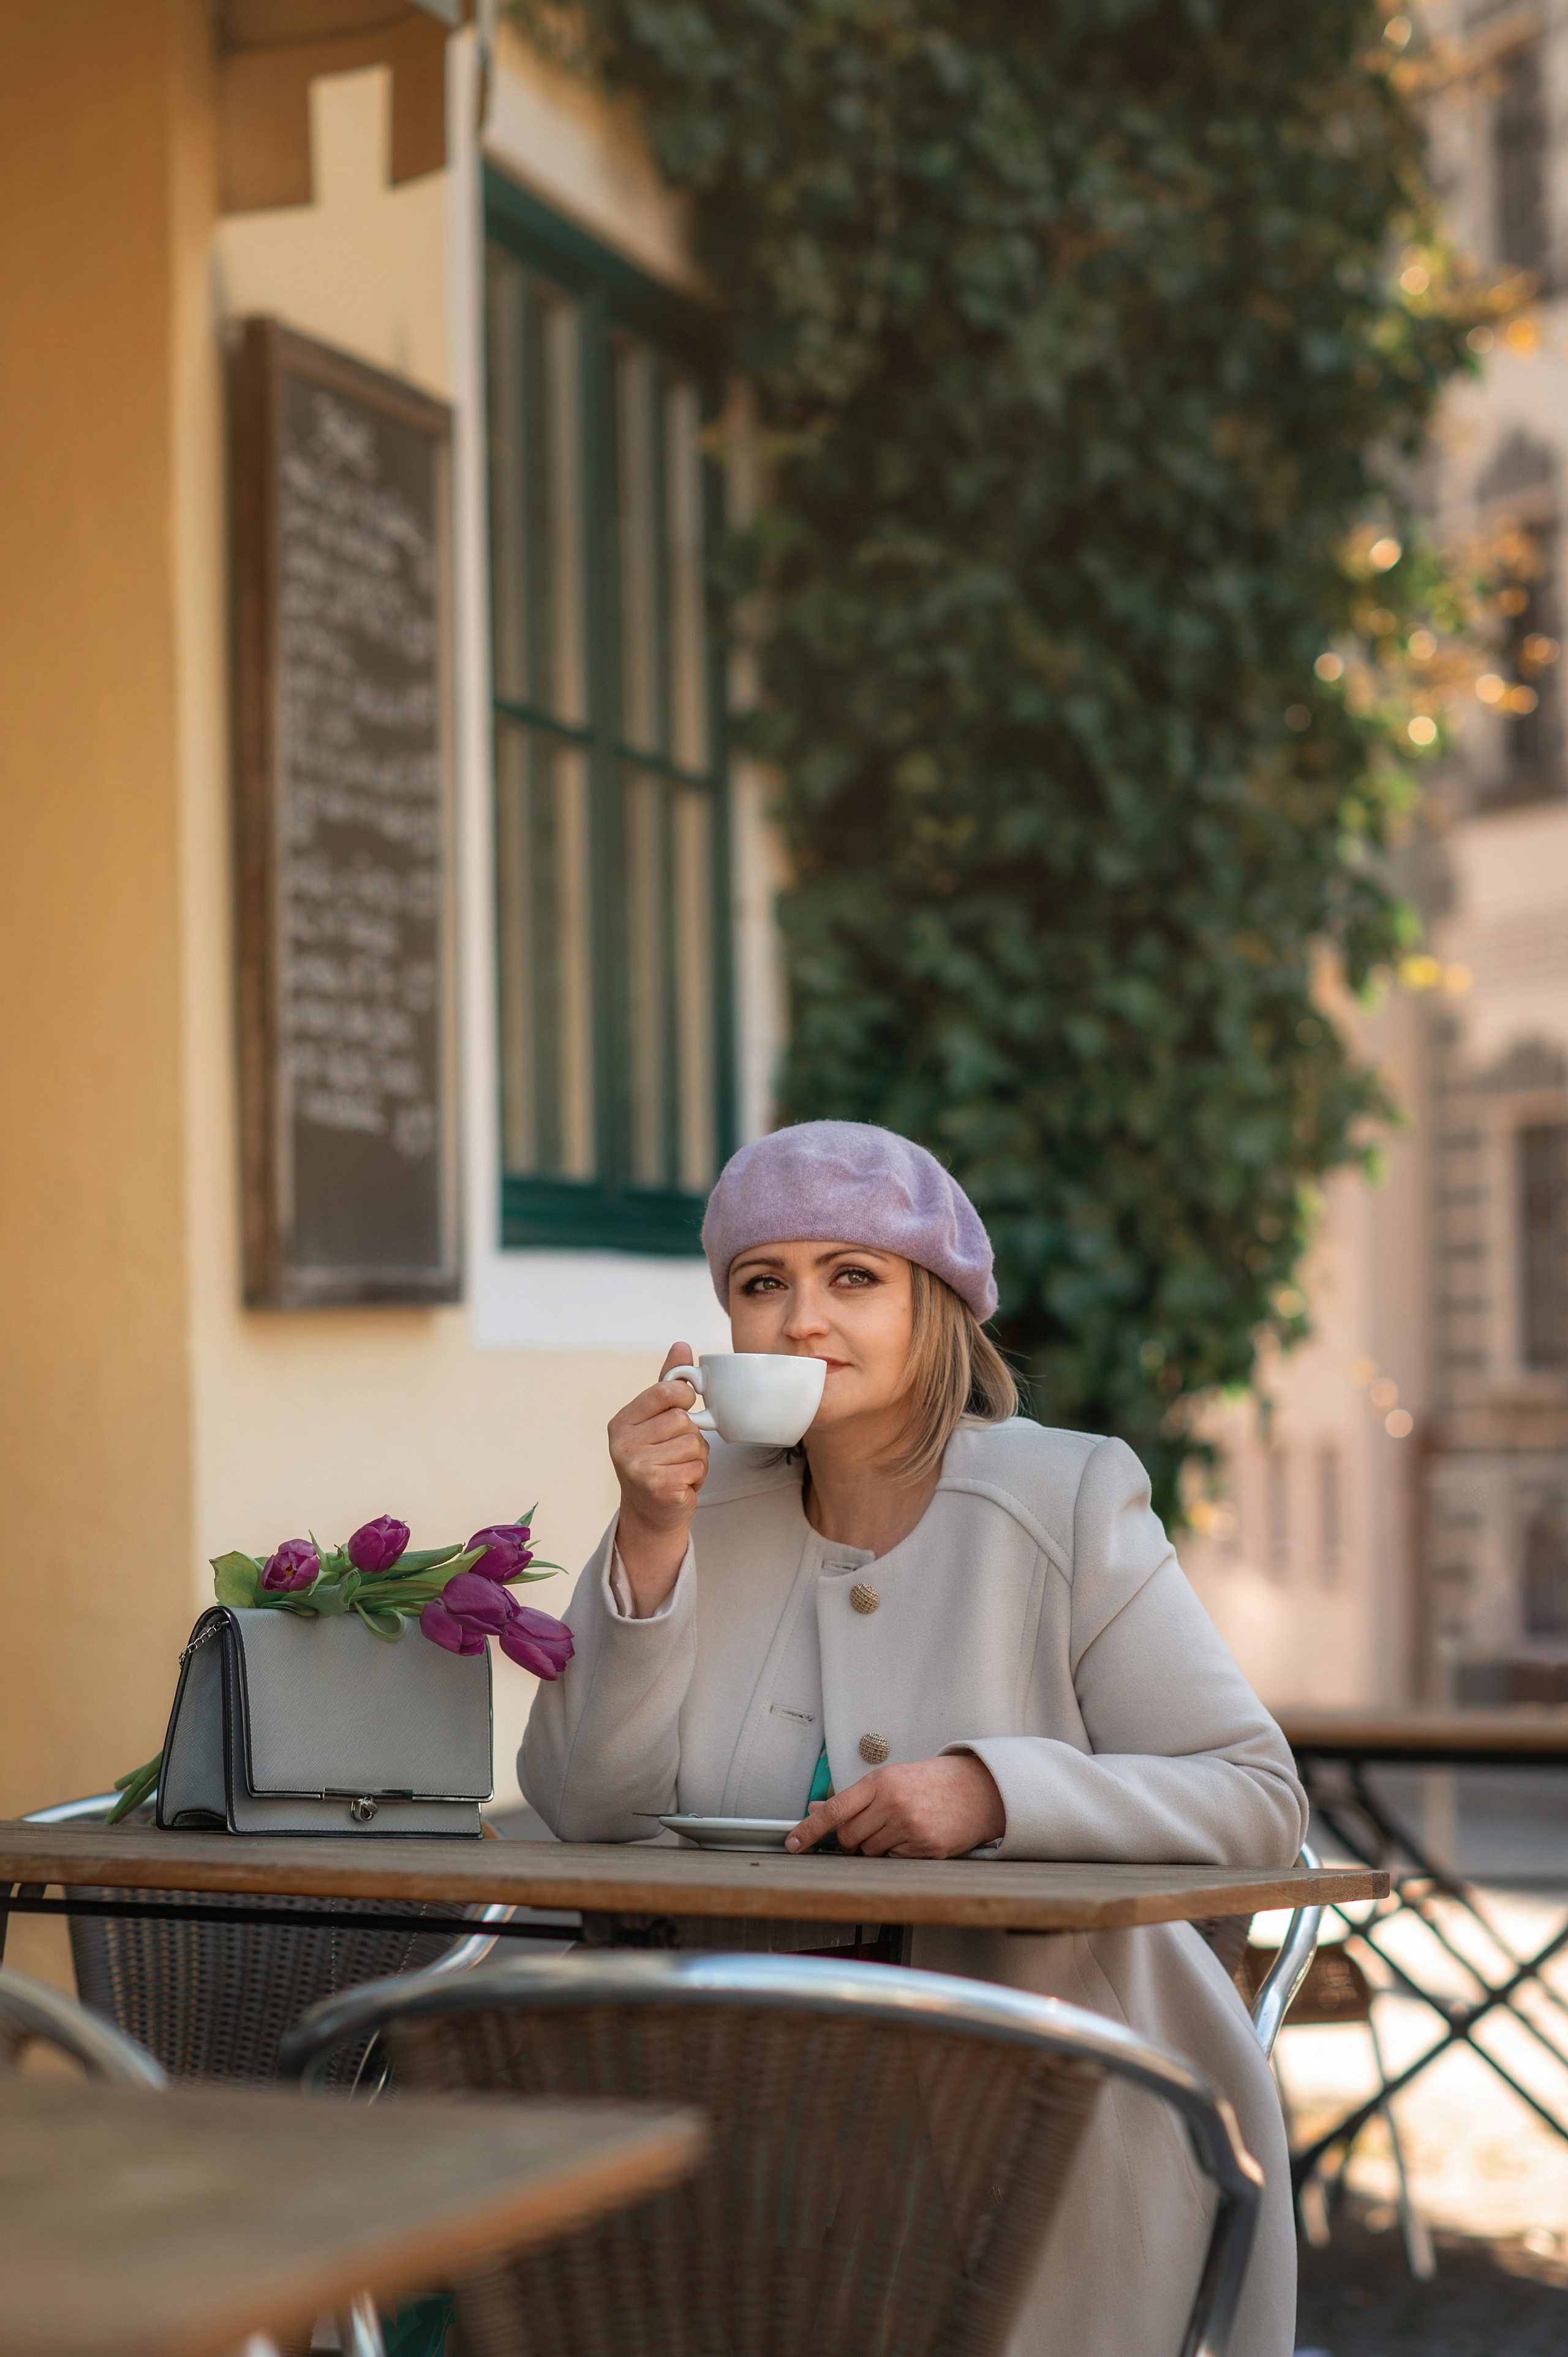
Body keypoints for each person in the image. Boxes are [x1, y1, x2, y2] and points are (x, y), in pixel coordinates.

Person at [523, 1119, 1306, 2357]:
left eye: (852, 1277)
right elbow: (586, 1806)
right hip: (747, 2113)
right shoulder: (691, 1502)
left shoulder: (1066, 1494)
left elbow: (1257, 1797)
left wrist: (995, 1793)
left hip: (1052, 2116)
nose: (801, 1320)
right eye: (760, 1283)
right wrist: (647, 1543)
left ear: (933, 1304)